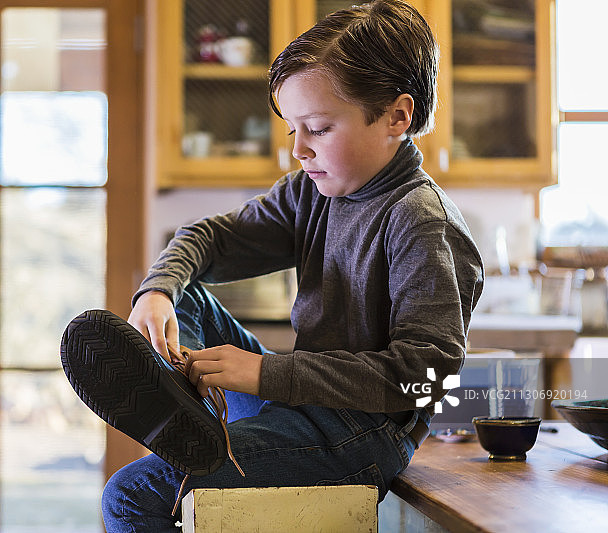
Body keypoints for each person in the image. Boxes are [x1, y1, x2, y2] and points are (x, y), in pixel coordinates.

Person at [60, 1, 484, 530]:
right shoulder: (316, 192)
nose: (300, 150)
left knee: (129, 495)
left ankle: (197, 431)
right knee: (184, 289)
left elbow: (428, 378)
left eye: (320, 128)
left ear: (398, 117)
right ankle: (187, 413)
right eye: (293, 130)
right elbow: (209, 237)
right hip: (299, 403)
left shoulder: (420, 222)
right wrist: (158, 291)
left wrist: (264, 373)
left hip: (362, 435)